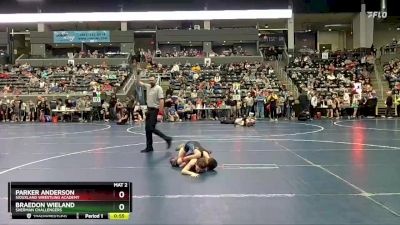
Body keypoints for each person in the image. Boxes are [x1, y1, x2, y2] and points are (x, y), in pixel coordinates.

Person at [136, 70, 172, 153]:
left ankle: (167, 138)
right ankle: (149, 147)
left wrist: (160, 113)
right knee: (147, 129)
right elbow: (139, 83)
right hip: (149, 111)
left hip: (155, 111)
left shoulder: (158, 88)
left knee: (151, 128)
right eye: (150, 80)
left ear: (155, 80)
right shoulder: (148, 86)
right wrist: (138, 74)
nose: (151, 81)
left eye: (152, 80)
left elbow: (162, 101)